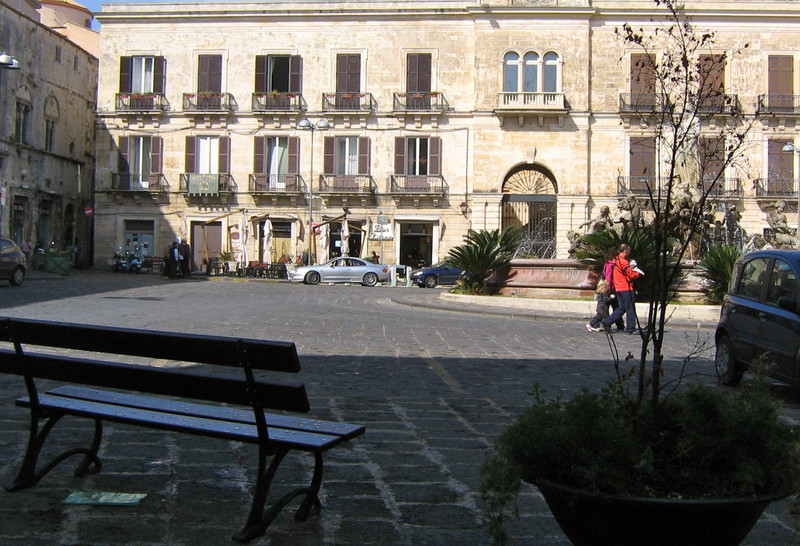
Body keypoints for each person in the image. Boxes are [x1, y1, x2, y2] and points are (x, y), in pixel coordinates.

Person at [602, 244, 644, 334]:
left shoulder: (616, 259)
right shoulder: (623, 262)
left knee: (623, 307)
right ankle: (630, 328)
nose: (629, 252)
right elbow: (631, 275)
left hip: (618, 287)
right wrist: (637, 273)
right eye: (629, 251)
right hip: (626, 287)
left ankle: (607, 321)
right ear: (625, 251)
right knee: (630, 308)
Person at [601, 246, 625, 331]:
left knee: (613, 307)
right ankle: (617, 324)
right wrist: (609, 289)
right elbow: (608, 278)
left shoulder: (609, 264)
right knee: (612, 307)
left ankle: (616, 325)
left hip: (611, 288)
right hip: (611, 289)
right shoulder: (611, 265)